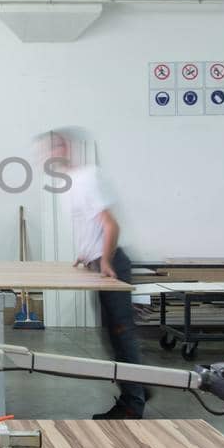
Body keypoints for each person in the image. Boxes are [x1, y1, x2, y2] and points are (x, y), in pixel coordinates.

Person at [42, 128, 147, 420]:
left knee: (121, 336)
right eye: (45, 152)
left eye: (52, 149)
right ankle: (137, 386)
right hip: (96, 263)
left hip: (109, 266)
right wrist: (85, 252)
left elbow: (111, 225)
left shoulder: (88, 177)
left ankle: (132, 404)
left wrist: (106, 261)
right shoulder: (71, 183)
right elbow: (91, 226)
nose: (48, 157)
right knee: (111, 337)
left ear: (65, 149)